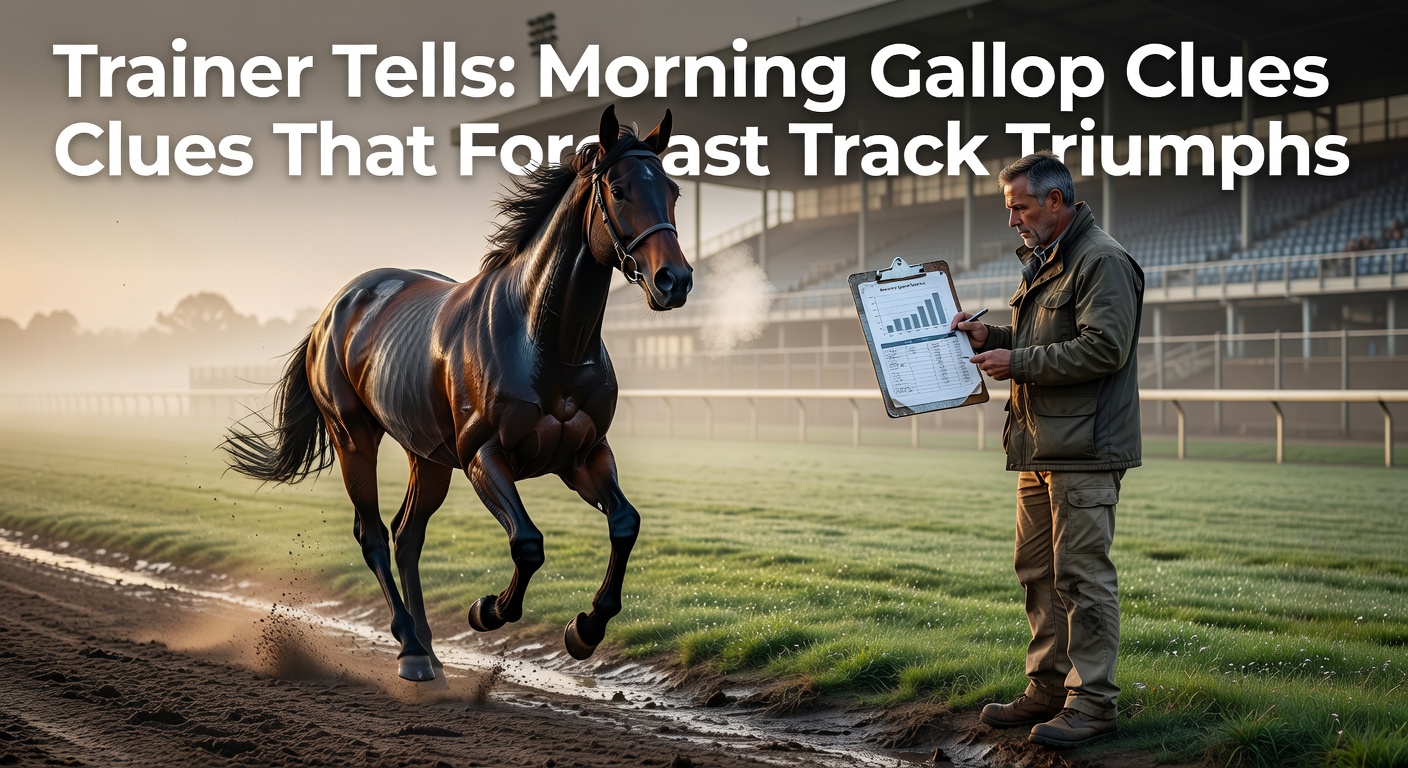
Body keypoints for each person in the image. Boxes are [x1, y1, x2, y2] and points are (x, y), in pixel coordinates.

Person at [949, 150, 1144, 749]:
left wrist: (1018, 362)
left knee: (1082, 577)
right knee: (1037, 572)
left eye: (1020, 207)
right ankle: (1048, 689)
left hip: (1084, 450)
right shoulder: (1047, 260)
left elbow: (1104, 347)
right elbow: (1041, 338)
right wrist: (991, 336)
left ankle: (1094, 704)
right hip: (1039, 446)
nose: (1012, 220)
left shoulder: (1101, 260)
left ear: (1055, 201)